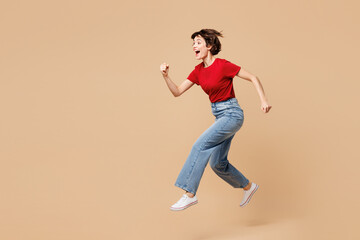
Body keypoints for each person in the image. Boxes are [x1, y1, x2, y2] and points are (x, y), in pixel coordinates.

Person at [160, 29, 271, 211]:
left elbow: (253, 77)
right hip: (220, 116)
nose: (194, 46)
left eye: (198, 42)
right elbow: (177, 92)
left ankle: (189, 194)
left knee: (199, 146)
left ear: (209, 46)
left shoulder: (222, 65)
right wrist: (166, 76)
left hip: (232, 114)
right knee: (217, 164)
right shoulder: (198, 71)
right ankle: (248, 187)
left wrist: (264, 100)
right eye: (193, 44)